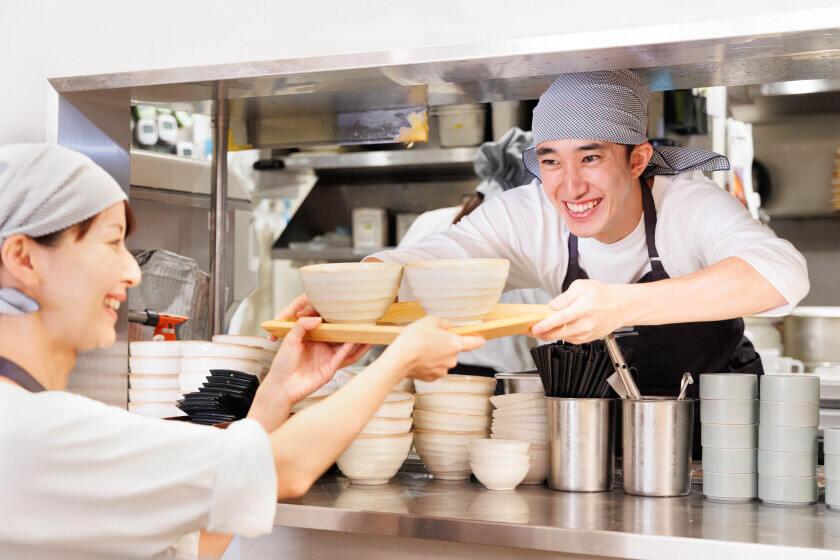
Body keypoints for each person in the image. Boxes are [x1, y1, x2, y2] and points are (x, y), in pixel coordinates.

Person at [0, 144, 484, 559]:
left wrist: (279, 392)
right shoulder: (30, 431)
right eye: (111, 243)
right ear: (22, 257)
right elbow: (284, 470)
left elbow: (195, 543)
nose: (133, 272)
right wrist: (399, 357)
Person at [366, 70, 809, 440]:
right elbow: (435, 258)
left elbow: (781, 273)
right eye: (551, 161)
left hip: (720, 436)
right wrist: (368, 277)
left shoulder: (687, 206)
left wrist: (621, 305)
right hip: (599, 445)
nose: (570, 186)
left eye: (590, 157)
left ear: (637, 160)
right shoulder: (530, 214)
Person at [397, 127, 550, 376]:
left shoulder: (428, 220)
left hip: (423, 373)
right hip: (508, 385)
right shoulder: (530, 235)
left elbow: (398, 297)